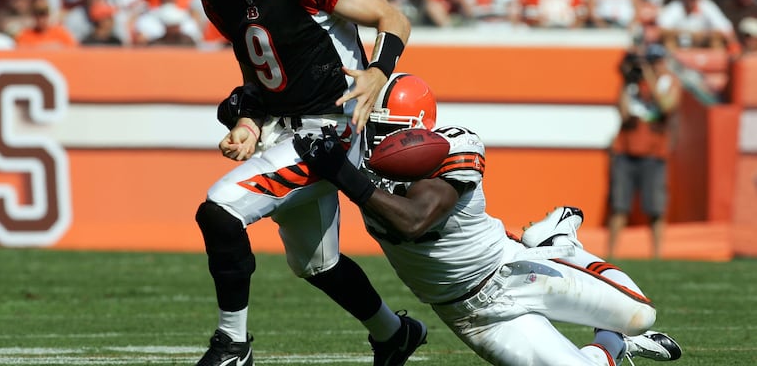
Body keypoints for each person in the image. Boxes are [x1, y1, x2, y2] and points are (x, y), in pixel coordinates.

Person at [293, 73, 683, 365]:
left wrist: (344, 175)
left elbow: (413, 221)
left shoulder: (454, 147)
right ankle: (616, 344)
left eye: (391, 132)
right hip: (465, 312)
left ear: (422, 129)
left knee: (640, 313)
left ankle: (559, 244)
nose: (378, 141)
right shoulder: (355, 148)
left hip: (508, 273)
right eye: (374, 129)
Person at [194, 0, 424, 365]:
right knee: (317, 264)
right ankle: (396, 335)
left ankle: (232, 346)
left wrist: (378, 71)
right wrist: (248, 122)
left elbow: (394, 19)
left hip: (333, 130)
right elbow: (260, 74)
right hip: (284, 132)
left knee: (220, 209)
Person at [608, 43, 682, 259]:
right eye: (651, 62)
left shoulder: (670, 83)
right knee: (619, 205)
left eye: (657, 62)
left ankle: (656, 255)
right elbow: (622, 113)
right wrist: (626, 79)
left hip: (654, 154)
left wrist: (650, 78)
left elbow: (666, 107)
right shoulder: (631, 86)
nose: (654, 66)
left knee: (655, 208)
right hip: (626, 151)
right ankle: (612, 253)